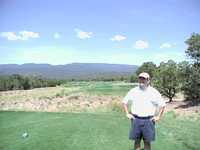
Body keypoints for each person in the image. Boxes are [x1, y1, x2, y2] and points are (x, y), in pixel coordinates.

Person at [122, 72, 166, 150]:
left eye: (144, 79)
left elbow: (162, 105)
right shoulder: (134, 91)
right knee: (137, 141)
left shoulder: (154, 92)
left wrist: (158, 116)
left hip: (148, 120)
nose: (141, 80)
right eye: (140, 78)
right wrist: (127, 113)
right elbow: (124, 101)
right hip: (136, 119)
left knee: (147, 142)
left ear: (148, 80)